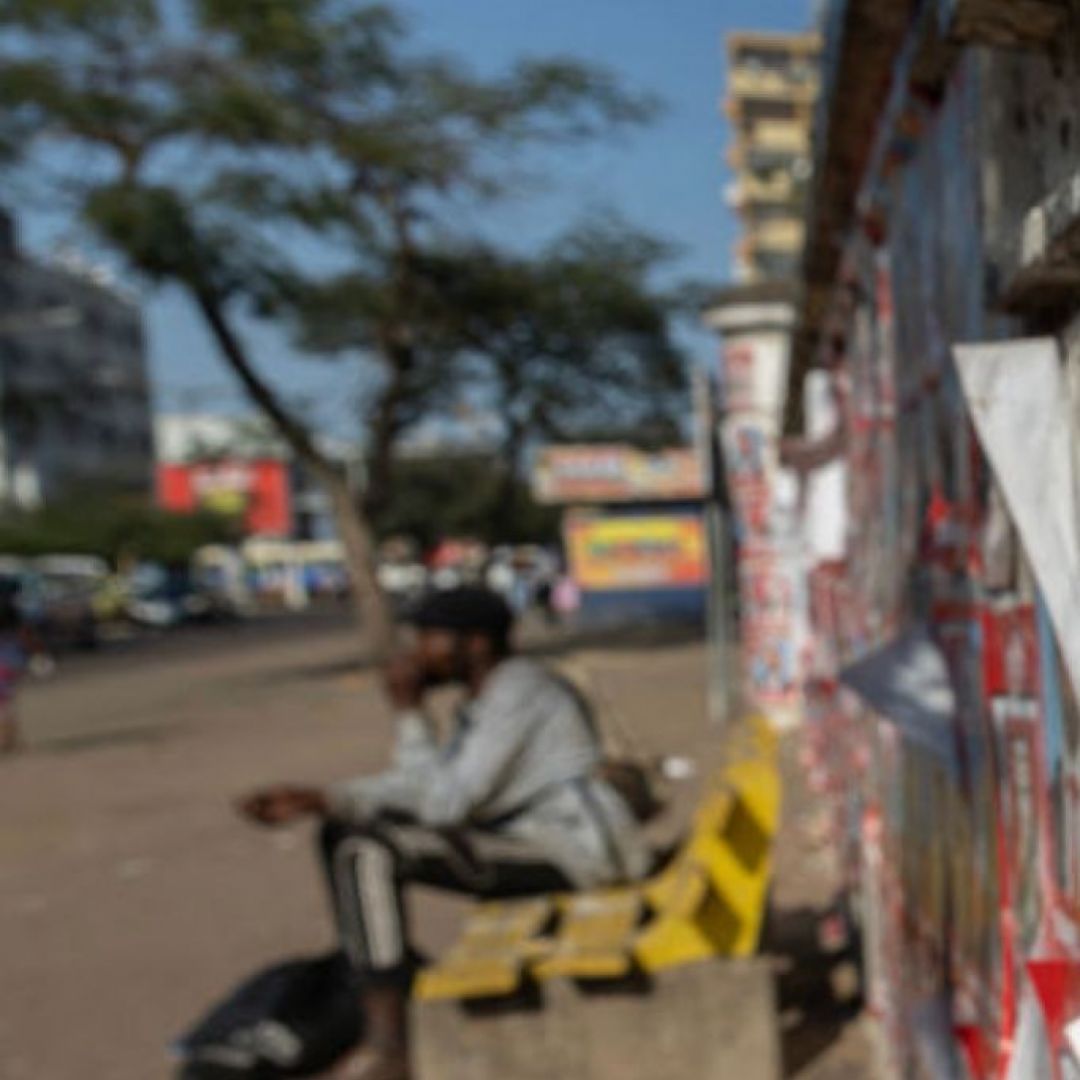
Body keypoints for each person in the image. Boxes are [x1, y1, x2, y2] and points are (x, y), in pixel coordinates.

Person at [240, 587, 651, 1080]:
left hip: (577, 853)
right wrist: (326, 798)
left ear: (475, 645)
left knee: (366, 849)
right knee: (344, 833)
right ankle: (384, 992)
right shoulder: (488, 699)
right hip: (537, 841)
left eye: (429, 639)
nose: (416, 654)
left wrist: (409, 713)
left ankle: (390, 1039)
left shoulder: (520, 693)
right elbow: (427, 786)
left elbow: (446, 804)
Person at [0, 579, 39, 756]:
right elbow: (25, 635)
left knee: (4, 701)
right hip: (11, 657)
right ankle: (10, 738)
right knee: (6, 700)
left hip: (6, 658)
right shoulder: (13, 611)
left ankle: (9, 739)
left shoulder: (11, 611)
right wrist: (35, 653)